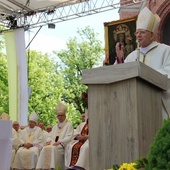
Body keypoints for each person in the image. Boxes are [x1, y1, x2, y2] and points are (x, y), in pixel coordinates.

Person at [115, 7, 170, 119]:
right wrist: (120, 60)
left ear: (152, 35)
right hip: (134, 105)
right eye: (137, 32)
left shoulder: (166, 50)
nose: (138, 36)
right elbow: (121, 76)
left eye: (143, 32)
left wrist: (144, 76)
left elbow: (168, 74)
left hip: (157, 104)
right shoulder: (132, 56)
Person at [36, 102, 74, 170]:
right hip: (53, 143)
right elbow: (50, 136)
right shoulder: (55, 126)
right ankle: (44, 168)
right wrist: (48, 141)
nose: (60, 117)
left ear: (65, 116)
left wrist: (59, 142)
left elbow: (69, 137)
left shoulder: (69, 125)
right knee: (45, 148)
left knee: (53, 148)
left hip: (62, 146)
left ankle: (53, 167)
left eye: (61, 115)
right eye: (58, 116)